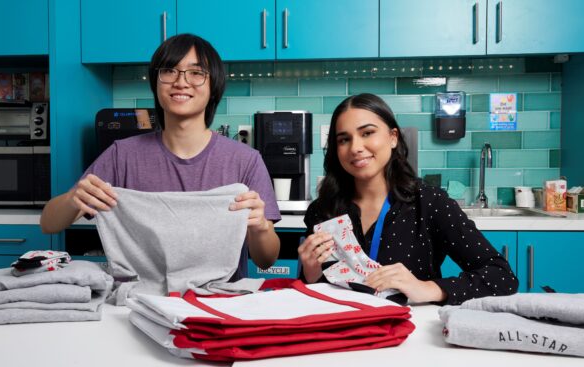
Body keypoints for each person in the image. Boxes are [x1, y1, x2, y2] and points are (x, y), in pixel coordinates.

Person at [40, 34, 281, 278]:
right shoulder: (121, 156)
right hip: (140, 303)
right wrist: (74, 198)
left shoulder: (246, 160)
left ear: (214, 86)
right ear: (156, 82)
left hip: (217, 304)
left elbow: (266, 259)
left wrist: (260, 227)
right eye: (169, 71)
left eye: (196, 73)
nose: (181, 82)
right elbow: (49, 224)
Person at [298, 93, 518, 305]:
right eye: (344, 139)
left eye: (367, 133)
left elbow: (502, 276)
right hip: (343, 332)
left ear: (393, 138)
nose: (355, 147)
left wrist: (428, 288)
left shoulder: (429, 203)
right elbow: (312, 290)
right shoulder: (322, 210)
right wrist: (310, 274)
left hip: (411, 333)